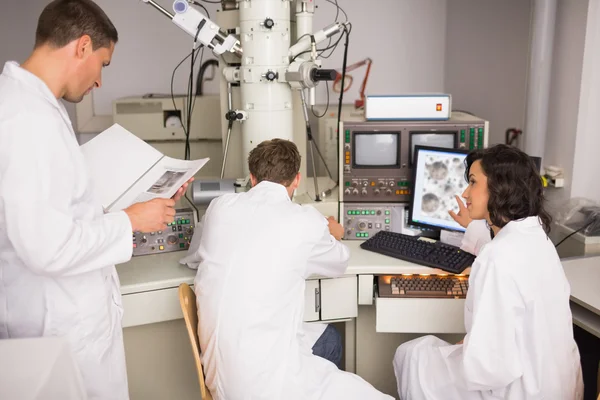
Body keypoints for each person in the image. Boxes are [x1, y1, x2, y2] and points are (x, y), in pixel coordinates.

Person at [0, 1, 191, 398]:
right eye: (104, 64)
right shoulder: (25, 120)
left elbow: (61, 211)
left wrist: (141, 201)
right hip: (59, 327)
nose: (101, 82)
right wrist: (131, 221)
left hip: (72, 319)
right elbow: (46, 248)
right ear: (82, 46)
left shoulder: (38, 108)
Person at [180, 139, 392, 400]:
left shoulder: (219, 207)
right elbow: (340, 263)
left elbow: (195, 256)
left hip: (218, 379)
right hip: (267, 387)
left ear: (252, 177)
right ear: (297, 180)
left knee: (329, 338)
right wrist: (333, 234)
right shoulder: (305, 221)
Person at [393, 144, 583, 400]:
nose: (465, 192)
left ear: (499, 187)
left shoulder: (495, 259)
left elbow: (488, 370)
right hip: (557, 386)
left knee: (412, 353)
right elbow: (503, 250)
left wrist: (472, 346)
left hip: (515, 391)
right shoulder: (537, 237)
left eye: (472, 182)